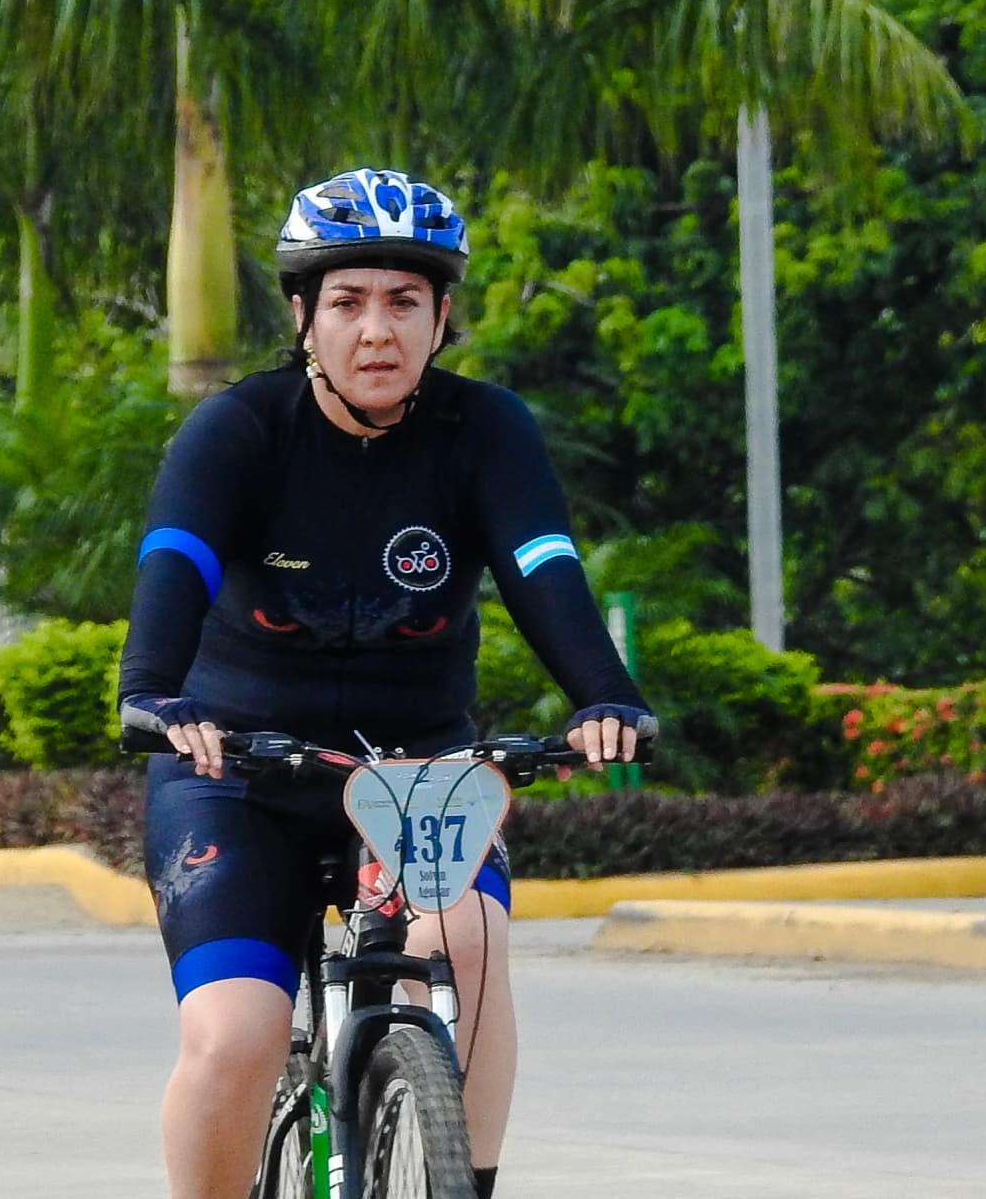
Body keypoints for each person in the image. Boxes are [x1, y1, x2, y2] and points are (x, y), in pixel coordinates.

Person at [117, 168, 649, 1199]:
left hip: (419, 764)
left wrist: (602, 693)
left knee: (472, 934)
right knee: (234, 1037)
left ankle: (463, 1179)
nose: (376, 331)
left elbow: (543, 563)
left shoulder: (484, 430)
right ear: (303, 314)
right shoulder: (238, 428)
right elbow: (174, 556)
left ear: (442, 316)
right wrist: (153, 691)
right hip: (237, 768)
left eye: (404, 302)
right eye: (349, 301)